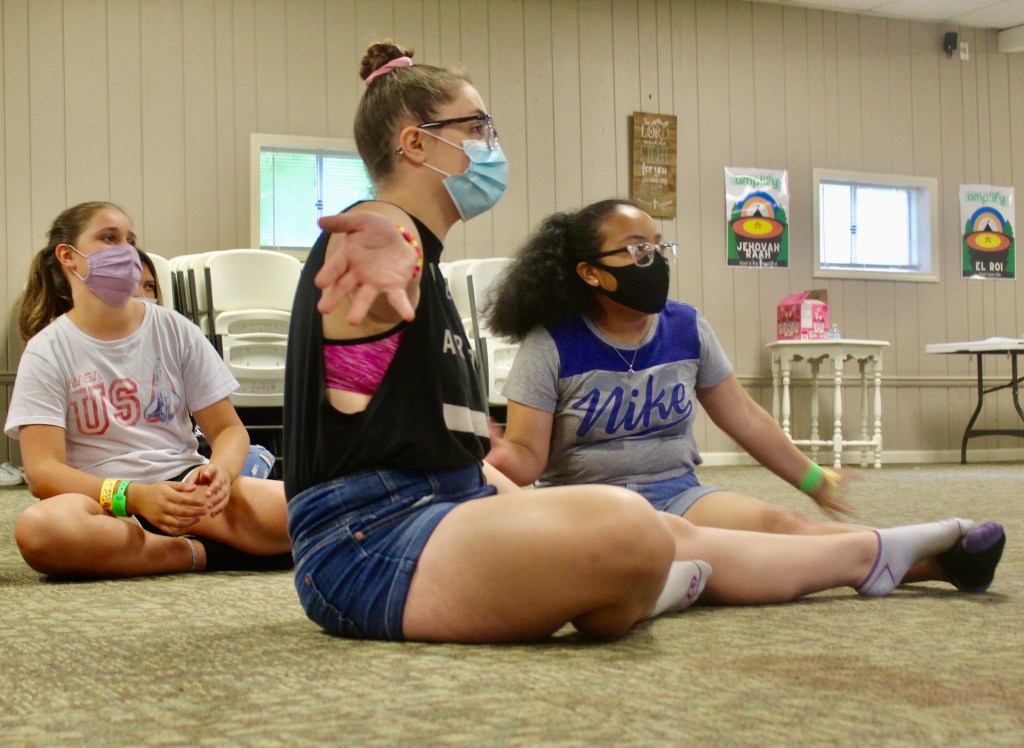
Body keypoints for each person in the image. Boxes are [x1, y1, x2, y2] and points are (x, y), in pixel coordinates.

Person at [286, 40, 987, 646]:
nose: (490, 144)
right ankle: (636, 588)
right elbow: (374, 271)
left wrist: (499, 486)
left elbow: (430, 448)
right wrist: (393, 238)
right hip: (366, 545)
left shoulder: (430, 274)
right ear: (415, 143)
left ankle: (874, 556)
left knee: (669, 533)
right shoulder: (372, 239)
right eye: (477, 127)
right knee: (627, 524)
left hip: (441, 508)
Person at [483, 198, 1005, 594]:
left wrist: (813, 479)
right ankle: (929, 561)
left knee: (781, 526)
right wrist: (487, 453)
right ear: (590, 272)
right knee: (718, 558)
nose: (654, 260)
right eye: (637, 250)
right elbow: (528, 457)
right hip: (593, 506)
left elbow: (745, 418)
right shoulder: (550, 344)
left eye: (659, 246)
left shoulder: (686, 327)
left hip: (678, 493)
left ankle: (931, 563)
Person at [6, 201, 292, 577]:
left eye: (130, 240)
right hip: (106, 502)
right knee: (41, 530)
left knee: (313, 510)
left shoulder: (175, 328)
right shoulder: (47, 350)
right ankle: (199, 554)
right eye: (109, 238)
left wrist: (219, 474)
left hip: (186, 489)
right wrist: (135, 497)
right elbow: (43, 472)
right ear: (68, 256)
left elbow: (228, 430)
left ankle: (153, 549)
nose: (125, 251)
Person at [135, 246, 277, 480]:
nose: (141, 295)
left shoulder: (176, 336)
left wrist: (217, 474)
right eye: (132, 285)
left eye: (149, 286)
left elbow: (227, 430)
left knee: (258, 457)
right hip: (127, 483)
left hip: (189, 465)